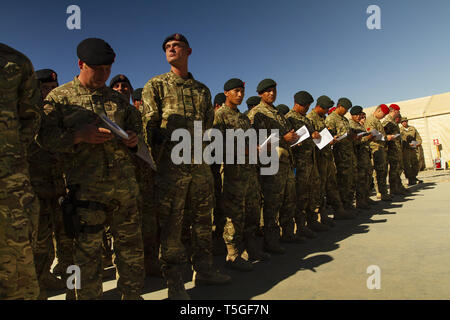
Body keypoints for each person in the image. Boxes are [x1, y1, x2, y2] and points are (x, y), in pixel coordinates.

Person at [37, 38, 145, 300]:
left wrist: (132, 140)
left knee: (130, 250)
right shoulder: (59, 98)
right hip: (86, 193)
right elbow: (42, 138)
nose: (103, 75)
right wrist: (77, 136)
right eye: (97, 69)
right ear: (80, 64)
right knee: (86, 255)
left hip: (124, 190)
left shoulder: (117, 100)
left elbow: (138, 133)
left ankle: (132, 295)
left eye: (108, 69)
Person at [141, 33, 231, 300]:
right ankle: (175, 285)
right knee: (173, 226)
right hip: (172, 168)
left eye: (176, 46)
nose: (171, 49)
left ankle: (204, 270)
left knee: (204, 220)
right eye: (167, 47)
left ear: (188, 51)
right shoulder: (155, 85)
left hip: (200, 167)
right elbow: (149, 129)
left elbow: (208, 126)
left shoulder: (202, 90)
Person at [213, 78, 269, 271]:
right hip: (232, 174)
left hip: (250, 173)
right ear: (226, 93)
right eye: (236, 91)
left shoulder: (244, 118)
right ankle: (232, 254)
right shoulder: (220, 115)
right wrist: (242, 150)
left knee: (252, 212)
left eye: (241, 92)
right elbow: (215, 145)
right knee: (234, 215)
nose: (240, 95)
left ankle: (252, 249)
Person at [0, 43, 42, 300]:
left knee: (16, 277)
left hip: (8, 189)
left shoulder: (15, 62)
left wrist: (9, 156)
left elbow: (30, 117)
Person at [28, 69, 69, 298]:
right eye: (45, 88)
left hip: (57, 185)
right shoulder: (27, 113)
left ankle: (45, 276)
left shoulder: (58, 114)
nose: (50, 92)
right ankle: (36, 283)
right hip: (35, 186)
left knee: (56, 236)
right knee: (38, 240)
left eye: (53, 88)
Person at [247, 79, 300, 254]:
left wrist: (293, 138)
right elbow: (258, 142)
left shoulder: (277, 113)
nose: (271, 93)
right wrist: (282, 139)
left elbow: (285, 135)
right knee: (271, 204)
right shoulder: (257, 113)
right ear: (260, 94)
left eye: (273, 90)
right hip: (270, 164)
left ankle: (287, 233)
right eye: (267, 91)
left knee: (288, 200)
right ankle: (270, 241)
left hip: (285, 163)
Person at [307, 96, 355, 223]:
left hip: (328, 156)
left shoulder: (322, 118)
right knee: (320, 188)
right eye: (327, 108)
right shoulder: (310, 118)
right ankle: (320, 217)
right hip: (319, 158)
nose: (328, 110)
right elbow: (310, 139)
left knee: (332, 185)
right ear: (320, 107)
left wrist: (331, 139)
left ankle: (339, 211)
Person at [285, 91, 322, 239]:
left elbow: (311, 135)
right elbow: (287, 141)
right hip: (299, 164)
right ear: (297, 104)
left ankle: (312, 221)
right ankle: (300, 226)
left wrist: (315, 135)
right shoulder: (289, 118)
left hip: (311, 161)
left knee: (312, 193)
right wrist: (295, 142)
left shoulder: (306, 119)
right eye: (306, 106)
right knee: (300, 196)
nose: (307, 108)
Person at [325, 98, 359, 212]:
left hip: (348, 153)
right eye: (345, 109)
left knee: (349, 180)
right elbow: (329, 136)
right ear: (339, 106)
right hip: (338, 155)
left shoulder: (344, 119)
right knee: (341, 182)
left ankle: (348, 204)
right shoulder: (331, 118)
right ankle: (341, 208)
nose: (346, 111)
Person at [364, 104, 396, 201]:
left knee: (382, 171)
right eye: (383, 114)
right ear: (378, 111)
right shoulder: (371, 120)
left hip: (380, 147)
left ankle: (383, 192)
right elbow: (373, 134)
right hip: (375, 148)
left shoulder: (376, 120)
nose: (383, 117)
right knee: (379, 171)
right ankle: (381, 192)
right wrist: (386, 137)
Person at [348, 106, 377, 208]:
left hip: (364, 154)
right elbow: (355, 141)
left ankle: (366, 197)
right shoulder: (351, 125)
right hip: (358, 156)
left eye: (361, 115)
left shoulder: (358, 124)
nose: (360, 117)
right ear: (353, 115)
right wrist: (367, 138)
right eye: (359, 115)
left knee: (367, 177)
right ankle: (360, 201)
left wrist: (369, 136)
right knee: (360, 179)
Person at [382, 104, 408, 195]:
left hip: (396, 148)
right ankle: (393, 189)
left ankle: (397, 187)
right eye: (398, 111)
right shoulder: (387, 121)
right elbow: (383, 135)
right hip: (391, 149)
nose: (399, 113)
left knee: (397, 169)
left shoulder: (393, 121)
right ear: (394, 111)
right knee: (393, 169)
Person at [400, 117, 423, 185]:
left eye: (405, 121)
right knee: (407, 165)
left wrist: (416, 144)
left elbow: (418, 138)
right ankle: (410, 179)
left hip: (413, 149)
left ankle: (414, 177)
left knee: (416, 163)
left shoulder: (412, 128)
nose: (404, 123)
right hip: (405, 150)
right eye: (403, 122)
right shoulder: (400, 130)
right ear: (401, 123)